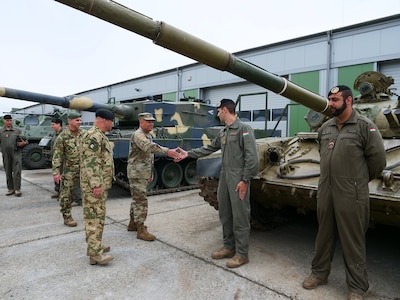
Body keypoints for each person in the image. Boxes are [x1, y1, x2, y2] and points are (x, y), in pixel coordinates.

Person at [302, 85, 386, 300]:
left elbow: (378, 162)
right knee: (324, 235)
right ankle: (319, 273)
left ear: (348, 101)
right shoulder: (326, 128)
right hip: (326, 190)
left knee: (352, 240)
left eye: (335, 100)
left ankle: (357, 287)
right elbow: (323, 152)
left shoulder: (365, 127)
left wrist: (356, 182)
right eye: (330, 99)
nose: (330, 103)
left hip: (351, 193)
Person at [176, 99, 259, 268]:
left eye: (218, 110)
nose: (217, 113)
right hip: (224, 176)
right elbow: (209, 148)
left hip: (238, 178)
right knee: (225, 213)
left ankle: (242, 254)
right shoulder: (224, 132)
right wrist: (188, 154)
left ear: (225, 110)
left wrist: (245, 180)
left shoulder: (244, 129)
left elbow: (252, 159)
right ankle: (229, 247)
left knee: (240, 216)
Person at [126, 112, 181, 241]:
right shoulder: (139, 135)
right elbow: (150, 147)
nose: (151, 123)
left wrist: (150, 172)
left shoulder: (146, 134)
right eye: (148, 121)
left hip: (141, 172)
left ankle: (133, 224)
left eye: (152, 121)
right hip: (137, 173)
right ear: (141, 122)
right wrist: (168, 151)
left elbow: (148, 157)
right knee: (141, 200)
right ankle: (140, 230)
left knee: (137, 198)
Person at [80, 109, 115, 265]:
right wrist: (96, 185)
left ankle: (95, 247)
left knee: (99, 217)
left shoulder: (100, 136)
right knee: (93, 218)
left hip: (100, 185)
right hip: (94, 186)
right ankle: (95, 254)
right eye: (111, 121)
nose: (112, 124)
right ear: (105, 120)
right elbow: (91, 163)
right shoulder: (93, 137)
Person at [52, 112, 85, 227]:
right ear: (69, 121)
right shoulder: (63, 136)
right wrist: (56, 172)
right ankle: (67, 216)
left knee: (86, 193)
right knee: (66, 195)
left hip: (84, 170)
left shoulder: (84, 134)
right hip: (69, 171)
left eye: (80, 120)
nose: (79, 122)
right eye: (77, 120)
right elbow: (57, 155)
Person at [50, 118, 82, 205]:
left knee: (74, 181)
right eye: (77, 120)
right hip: (63, 161)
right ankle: (63, 194)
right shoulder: (60, 135)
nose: (52, 126)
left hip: (71, 162)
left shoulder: (81, 134)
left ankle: (77, 199)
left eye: (53, 124)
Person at [0, 114, 28, 196]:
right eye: (7, 121)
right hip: (6, 154)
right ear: (4, 121)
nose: (9, 122)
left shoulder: (17, 131)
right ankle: (10, 189)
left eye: (10, 120)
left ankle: (17, 189)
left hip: (16, 153)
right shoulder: (1, 131)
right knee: (8, 171)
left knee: (17, 172)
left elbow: (26, 140)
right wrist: (2, 150)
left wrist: (24, 143)